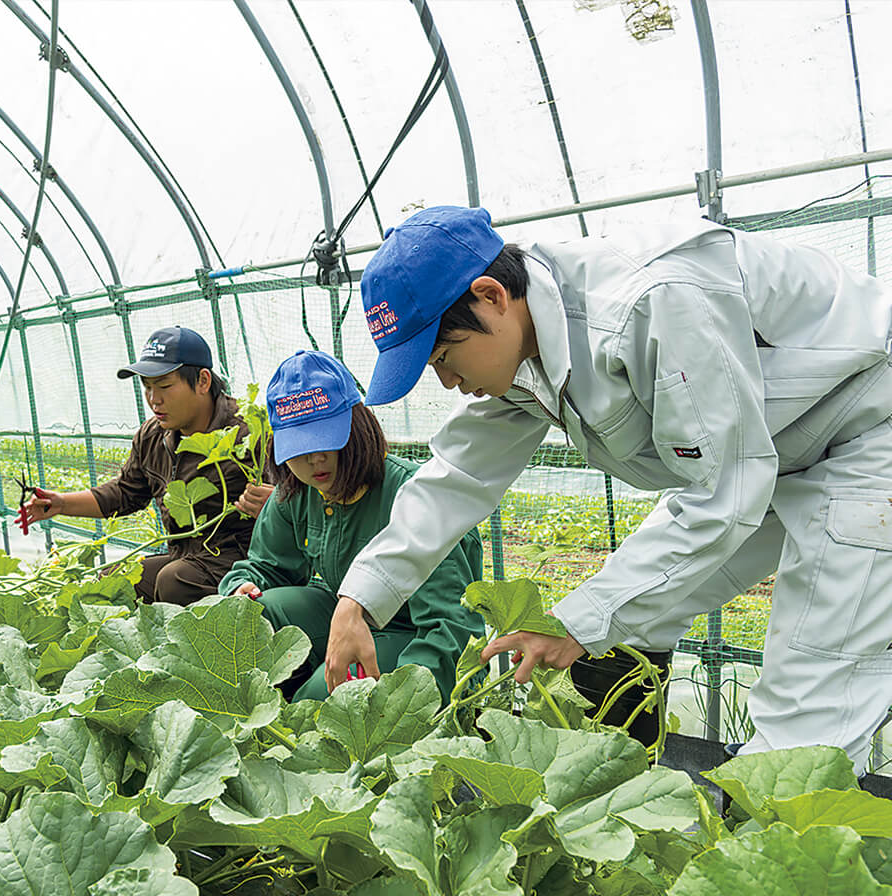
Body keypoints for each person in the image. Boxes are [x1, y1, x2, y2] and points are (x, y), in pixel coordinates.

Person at [326, 205, 892, 773]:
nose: (447, 381)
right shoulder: (523, 348)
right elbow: (457, 477)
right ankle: (617, 798)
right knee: (629, 624)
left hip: (868, 430)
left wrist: (576, 623)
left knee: (810, 697)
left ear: (492, 295)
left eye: (443, 357)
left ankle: (778, 839)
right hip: (770, 451)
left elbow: (725, 496)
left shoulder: (653, 301)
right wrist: (360, 600)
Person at [218, 349, 484, 702]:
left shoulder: (419, 497)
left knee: (315, 702)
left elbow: (450, 626)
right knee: (258, 610)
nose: (315, 459)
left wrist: (417, 699)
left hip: (412, 633)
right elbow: (267, 565)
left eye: (328, 440)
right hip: (345, 616)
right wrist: (243, 585)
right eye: (300, 447)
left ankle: (311, 696)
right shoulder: (296, 494)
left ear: (359, 427)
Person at [21, 325, 272, 605]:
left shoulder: (252, 431)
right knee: (114, 581)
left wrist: (276, 503)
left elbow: (302, 495)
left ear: (202, 381)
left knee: (174, 581)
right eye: (147, 387)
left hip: (246, 568)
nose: (154, 399)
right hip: (187, 559)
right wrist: (62, 504)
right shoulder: (153, 435)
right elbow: (126, 492)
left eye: (164, 386)